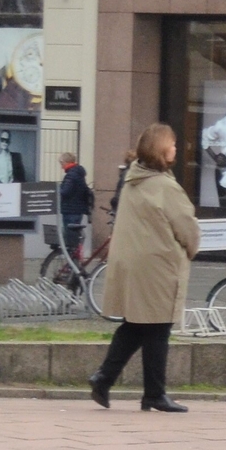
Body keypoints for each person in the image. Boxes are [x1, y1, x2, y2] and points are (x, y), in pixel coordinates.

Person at [91, 124, 200, 413]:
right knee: (158, 327)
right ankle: (153, 393)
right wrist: (190, 249)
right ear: (161, 149)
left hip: (133, 263)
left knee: (136, 325)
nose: (176, 148)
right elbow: (187, 226)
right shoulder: (165, 186)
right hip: (157, 265)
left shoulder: (132, 179)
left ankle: (104, 378)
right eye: (172, 144)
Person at [56, 153, 93, 260]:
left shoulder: (71, 175)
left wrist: (57, 189)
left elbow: (65, 192)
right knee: (74, 239)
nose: (61, 166)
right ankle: (75, 263)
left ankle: (73, 264)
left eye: (61, 163)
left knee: (70, 240)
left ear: (67, 162)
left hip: (71, 210)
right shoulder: (78, 173)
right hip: (76, 210)